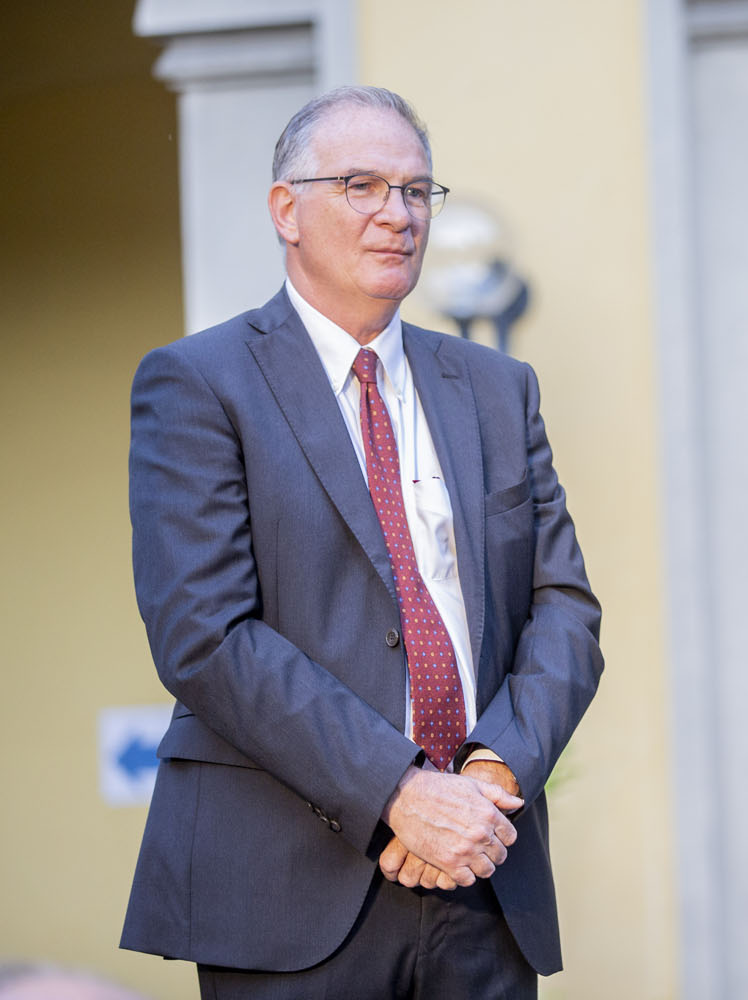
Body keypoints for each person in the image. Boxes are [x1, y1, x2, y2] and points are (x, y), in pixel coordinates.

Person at [121, 86, 603, 999]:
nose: (398, 214)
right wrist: (399, 790)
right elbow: (204, 633)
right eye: (362, 185)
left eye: (418, 192)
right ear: (285, 209)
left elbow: (563, 608)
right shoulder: (198, 383)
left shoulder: (499, 389)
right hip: (286, 890)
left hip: (481, 876)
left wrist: (487, 776)